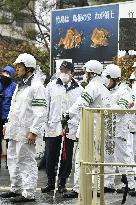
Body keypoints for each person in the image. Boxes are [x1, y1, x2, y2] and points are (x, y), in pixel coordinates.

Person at [0, 53, 47, 203]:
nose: (17, 69)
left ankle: (28, 193)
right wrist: (7, 125)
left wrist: (34, 131)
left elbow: (41, 112)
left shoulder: (37, 86)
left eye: (19, 67)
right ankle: (16, 188)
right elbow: (14, 108)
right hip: (14, 131)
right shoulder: (20, 85)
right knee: (13, 159)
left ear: (28, 68)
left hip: (26, 132)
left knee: (26, 160)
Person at [63, 60, 111, 198]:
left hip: (89, 130)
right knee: (96, 161)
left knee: (80, 160)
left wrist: (68, 115)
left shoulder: (93, 86)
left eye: (86, 72)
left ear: (91, 73)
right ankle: (94, 188)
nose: (84, 74)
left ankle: (78, 189)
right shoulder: (103, 88)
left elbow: (81, 103)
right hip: (99, 131)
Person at [41, 60, 84, 193]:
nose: (64, 73)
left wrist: (75, 125)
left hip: (69, 128)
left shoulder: (79, 89)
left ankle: (62, 183)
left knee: (66, 157)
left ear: (72, 73)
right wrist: (44, 124)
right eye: (62, 71)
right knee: (50, 156)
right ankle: (50, 182)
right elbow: (45, 106)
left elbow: (80, 110)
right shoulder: (51, 86)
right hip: (52, 127)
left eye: (67, 71)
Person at [103, 64, 136, 196]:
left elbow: (120, 110)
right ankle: (108, 183)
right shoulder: (110, 91)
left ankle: (132, 185)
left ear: (115, 79)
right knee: (108, 157)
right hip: (109, 129)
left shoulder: (124, 91)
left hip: (120, 130)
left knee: (124, 158)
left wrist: (107, 105)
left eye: (108, 78)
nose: (106, 81)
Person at [0, 66, 16, 168]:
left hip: (9, 117)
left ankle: (8, 163)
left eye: (8, 73)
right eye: (4, 72)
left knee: (8, 141)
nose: (5, 74)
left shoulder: (14, 86)